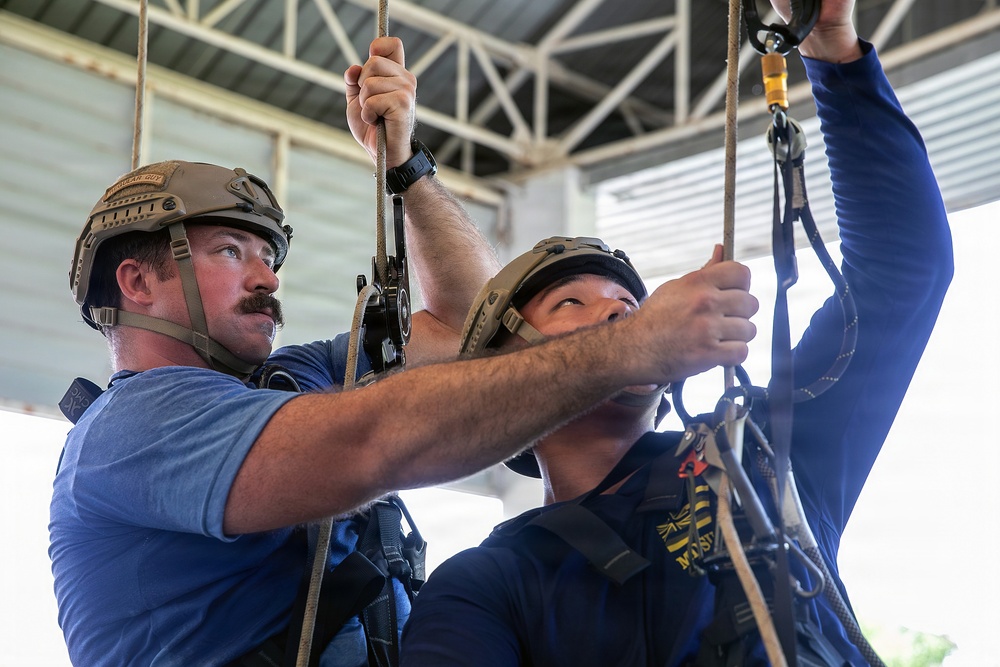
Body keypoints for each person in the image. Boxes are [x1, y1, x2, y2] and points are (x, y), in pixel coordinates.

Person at [48, 36, 761, 667]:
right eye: (231, 250)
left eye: (269, 257)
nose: (267, 278)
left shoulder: (298, 379)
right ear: (137, 281)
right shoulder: (128, 434)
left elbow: (477, 329)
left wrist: (405, 164)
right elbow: (370, 440)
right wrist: (632, 346)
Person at [398, 2, 954, 666]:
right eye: (570, 302)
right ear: (508, 374)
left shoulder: (759, 461)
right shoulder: (489, 584)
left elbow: (903, 271)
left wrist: (831, 50)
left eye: (629, 303)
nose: (617, 314)